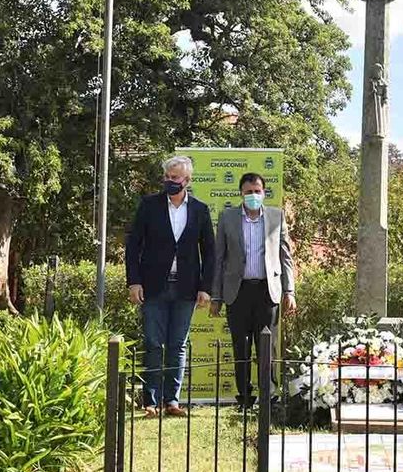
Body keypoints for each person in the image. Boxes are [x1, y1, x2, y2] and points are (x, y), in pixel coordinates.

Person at [126, 155, 214, 417]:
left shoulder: (199, 210)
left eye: (174, 178)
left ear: (187, 180)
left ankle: (172, 401)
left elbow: (209, 252)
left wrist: (205, 287)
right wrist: (134, 281)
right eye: (167, 177)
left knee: (178, 345)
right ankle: (150, 402)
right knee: (153, 343)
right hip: (153, 285)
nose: (169, 181)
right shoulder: (149, 205)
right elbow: (133, 246)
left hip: (186, 288)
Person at [210, 172, 296, 407]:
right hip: (237, 293)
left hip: (267, 292)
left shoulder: (276, 217)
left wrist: (290, 291)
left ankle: (270, 395)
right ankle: (245, 397)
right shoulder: (227, 218)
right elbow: (219, 259)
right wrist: (216, 296)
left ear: (264, 192)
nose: (253, 195)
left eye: (257, 191)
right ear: (241, 193)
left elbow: (285, 257)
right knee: (241, 346)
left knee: (267, 346)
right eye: (248, 192)